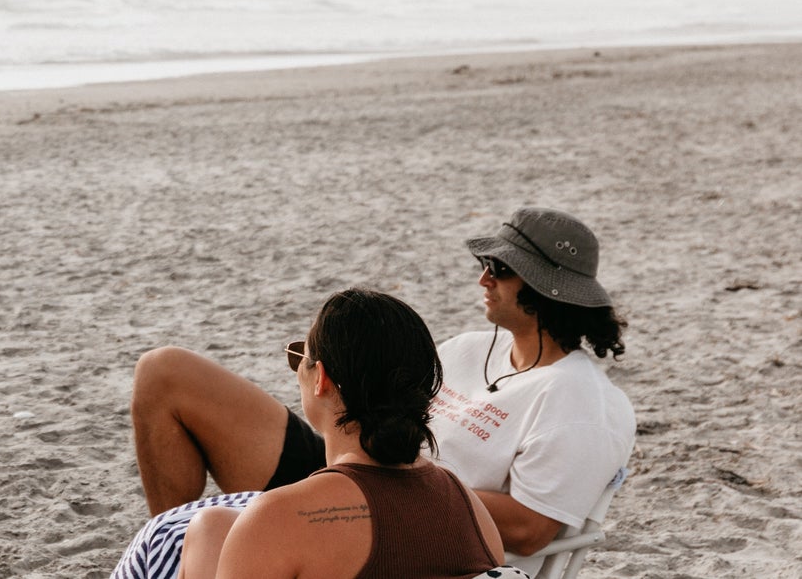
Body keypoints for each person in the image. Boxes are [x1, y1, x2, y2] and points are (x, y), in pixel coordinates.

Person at [130, 207, 634, 558]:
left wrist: (399, 487)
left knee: (208, 527)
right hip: (350, 470)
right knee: (165, 371)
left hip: (401, 519)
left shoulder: (579, 401)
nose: (483, 278)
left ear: (547, 288)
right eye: (485, 264)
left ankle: (181, 547)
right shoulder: (467, 348)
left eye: (499, 269)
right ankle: (171, 543)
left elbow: (530, 528)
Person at [112, 288, 505, 579]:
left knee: (198, 529)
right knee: (211, 526)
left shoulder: (279, 520)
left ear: (321, 379)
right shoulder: (470, 511)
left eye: (299, 357)